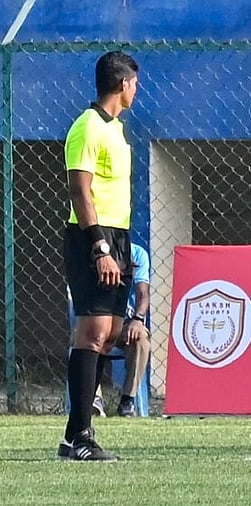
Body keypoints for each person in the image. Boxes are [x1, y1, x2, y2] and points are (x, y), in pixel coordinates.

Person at [58, 51, 139, 461]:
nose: (136, 91)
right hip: (93, 238)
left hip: (118, 236)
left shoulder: (117, 129)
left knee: (109, 334)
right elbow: (80, 191)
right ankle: (77, 437)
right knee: (91, 332)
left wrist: (121, 246)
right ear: (123, 84)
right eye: (135, 83)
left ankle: (81, 433)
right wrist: (101, 247)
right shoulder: (87, 127)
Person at [89, 243, 151, 418]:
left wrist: (138, 320)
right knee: (86, 339)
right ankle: (94, 399)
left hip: (125, 323)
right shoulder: (91, 252)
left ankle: (127, 400)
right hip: (98, 318)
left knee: (141, 339)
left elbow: (143, 293)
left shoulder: (137, 254)